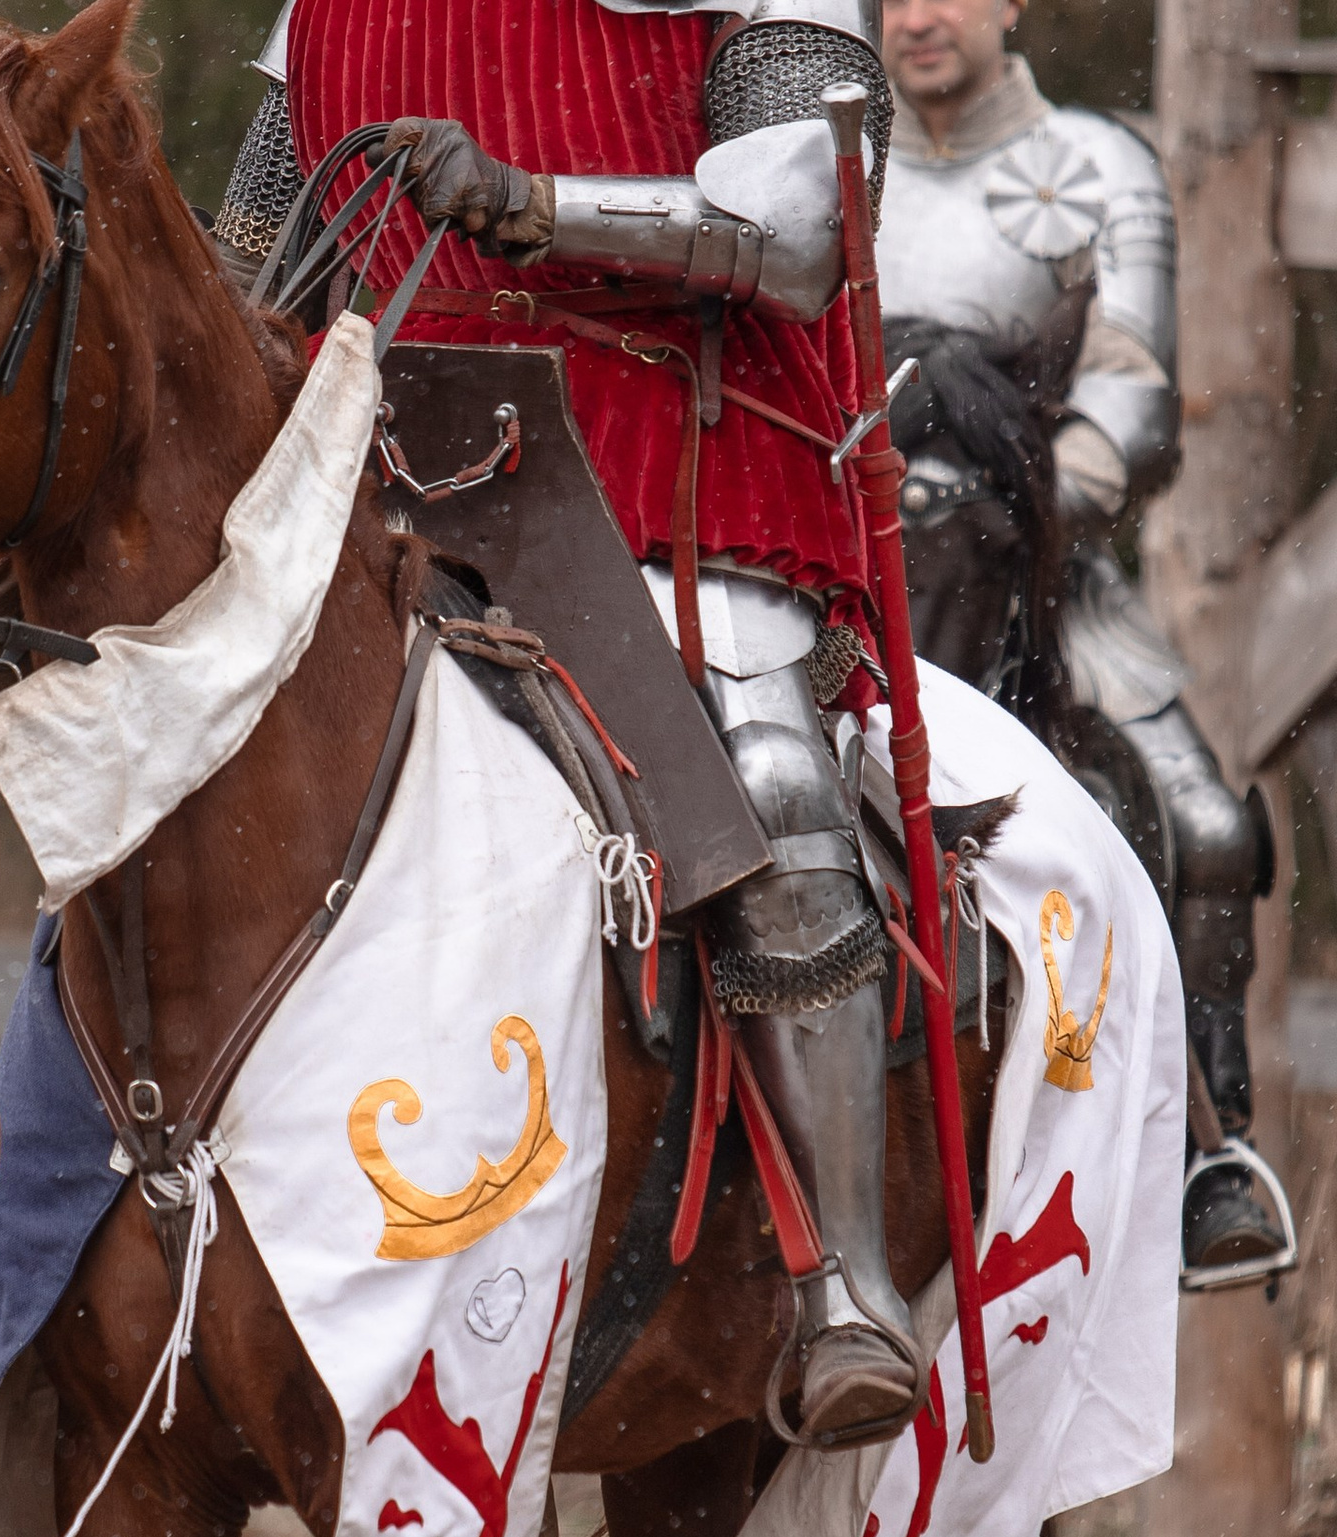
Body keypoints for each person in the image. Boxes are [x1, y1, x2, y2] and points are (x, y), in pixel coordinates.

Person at [209, 0, 931, 1445]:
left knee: (772, 779)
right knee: (163, 767)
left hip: (659, 451)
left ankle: (843, 1281)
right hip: (382, 462)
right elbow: (250, 260)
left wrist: (532, 203)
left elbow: (803, 232)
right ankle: (96, 1259)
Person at [874, 0, 1292, 1282]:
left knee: (1205, 829)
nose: (916, 19)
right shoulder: (821, 162)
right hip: (838, 557)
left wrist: (1021, 501)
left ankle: (1206, 1157)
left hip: (1040, 564)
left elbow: (1134, 396)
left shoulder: (1099, 165)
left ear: (1009, 4)